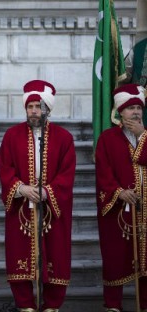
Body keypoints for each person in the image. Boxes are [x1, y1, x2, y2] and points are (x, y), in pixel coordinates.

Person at [0, 80, 76, 312]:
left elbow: (67, 172)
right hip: (21, 206)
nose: (33, 111)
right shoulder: (11, 136)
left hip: (52, 207)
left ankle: (52, 305)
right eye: (30, 106)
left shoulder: (64, 138)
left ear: (47, 109)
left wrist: (46, 191)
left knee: (55, 253)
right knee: (18, 253)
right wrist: (20, 188)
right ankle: (25, 305)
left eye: (38, 106)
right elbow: (5, 167)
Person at [95, 83, 147, 312]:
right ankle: (113, 305)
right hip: (117, 209)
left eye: (138, 107)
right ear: (119, 111)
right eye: (130, 108)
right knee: (115, 257)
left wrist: (142, 136)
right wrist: (119, 192)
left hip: (145, 210)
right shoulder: (107, 138)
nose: (135, 112)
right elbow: (103, 173)